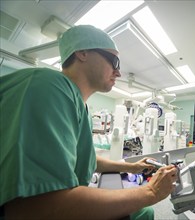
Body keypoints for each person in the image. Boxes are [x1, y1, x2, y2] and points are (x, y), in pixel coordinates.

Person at [0, 25, 178, 220]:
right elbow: (35, 207)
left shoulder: (77, 105)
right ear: (82, 53)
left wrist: (131, 167)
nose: (118, 73)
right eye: (114, 61)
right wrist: (151, 192)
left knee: (143, 213)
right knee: (144, 211)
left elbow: (84, 159)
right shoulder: (48, 86)